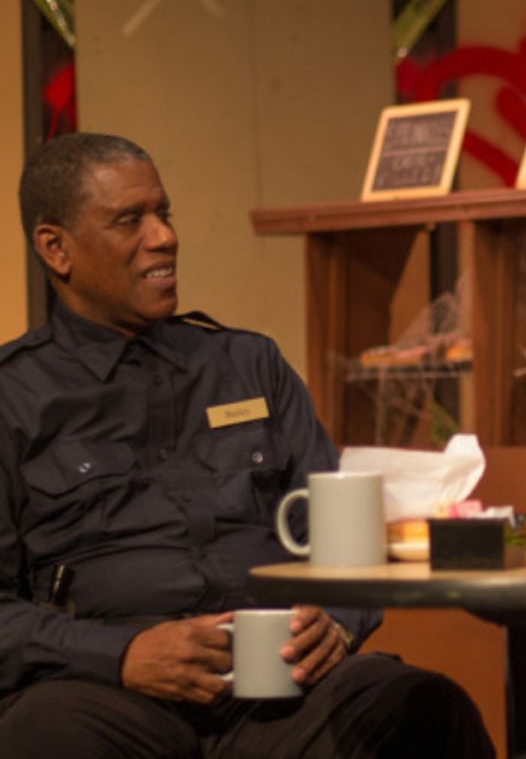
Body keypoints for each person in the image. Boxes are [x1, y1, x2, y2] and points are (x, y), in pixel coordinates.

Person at [0, 132, 495, 758]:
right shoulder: (14, 396)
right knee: (46, 736)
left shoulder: (249, 364)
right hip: (105, 692)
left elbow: (342, 538)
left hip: (278, 686)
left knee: (423, 706)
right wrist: (122, 655)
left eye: (164, 213)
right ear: (56, 248)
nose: (164, 236)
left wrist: (339, 619)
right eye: (129, 220)